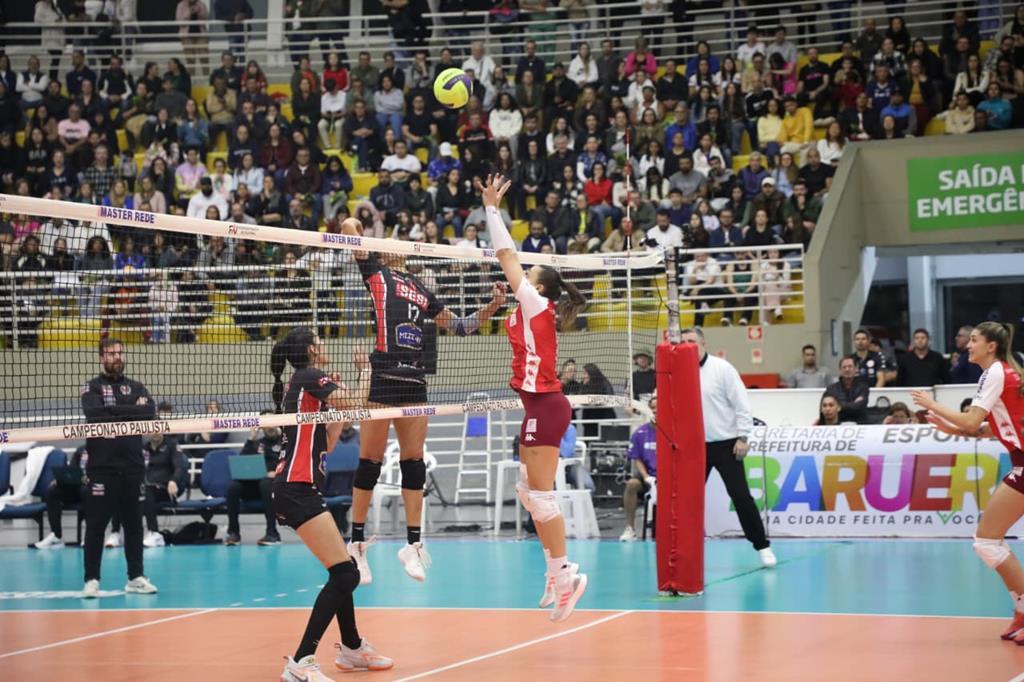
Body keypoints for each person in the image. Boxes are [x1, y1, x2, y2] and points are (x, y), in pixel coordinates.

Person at [339, 217, 507, 585]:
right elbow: (349, 225)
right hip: (383, 377)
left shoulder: (419, 287)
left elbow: (460, 327)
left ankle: (413, 545)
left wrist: (493, 306)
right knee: (370, 462)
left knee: (413, 463)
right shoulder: (376, 274)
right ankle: (356, 544)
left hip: (415, 382)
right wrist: (362, 229)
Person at [481, 173, 589, 621]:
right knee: (529, 492)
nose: (522, 276)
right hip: (536, 405)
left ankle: (568, 579)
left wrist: (491, 209)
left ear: (538, 288)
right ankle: (553, 571)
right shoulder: (527, 308)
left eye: (529, 275)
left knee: (541, 497)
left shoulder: (536, 303)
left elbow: (506, 253)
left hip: (547, 405)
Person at [270, 328, 393, 678]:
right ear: (311, 349)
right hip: (296, 487)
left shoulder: (304, 384)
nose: (325, 347)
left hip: (299, 487)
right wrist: (365, 371)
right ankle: (301, 661)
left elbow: (330, 441)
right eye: (320, 343)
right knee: (345, 573)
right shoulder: (309, 375)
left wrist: (330, 404)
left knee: (342, 571)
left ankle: (352, 648)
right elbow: (358, 404)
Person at [911, 322, 1024, 645]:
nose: (967, 345)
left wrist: (931, 404)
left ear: (991, 346)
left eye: (974, 340)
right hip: (1021, 460)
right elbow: (990, 427)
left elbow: (973, 420)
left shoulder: (995, 373)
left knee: (987, 541)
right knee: (990, 540)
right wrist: (952, 430)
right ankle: (1021, 607)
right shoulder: (1001, 373)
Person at [681, 327, 775, 567]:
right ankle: (685, 550)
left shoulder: (722, 369)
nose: (688, 345)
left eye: (692, 341)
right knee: (686, 500)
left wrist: (743, 437)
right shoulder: (678, 371)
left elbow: (742, 404)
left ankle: (762, 546)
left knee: (741, 496)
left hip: (726, 445)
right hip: (694, 447)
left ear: (703, 344)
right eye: (683, 342)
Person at [80, 338, 159, 598]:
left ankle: (135, 577)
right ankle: (91, 579)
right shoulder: (92, 387)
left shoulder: (136, 386)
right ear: (102, 357)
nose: (117, 357)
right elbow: (94, 414)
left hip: (133, 467)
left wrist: (113, 410)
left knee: (134, 525)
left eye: (120, 352)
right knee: (95, 526)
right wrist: (128, 411)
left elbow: (149, 412)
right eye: (111, 353)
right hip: (101, 468)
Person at [225, 412, 284, 546]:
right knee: (234, 487)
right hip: (254, 486)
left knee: (265, 483)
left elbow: (291, 461)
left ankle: (272, 533)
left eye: (272, 421)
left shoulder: (285, 442)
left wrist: (277, 473)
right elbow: (242, 464)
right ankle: (233, 533)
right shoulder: (256, 443)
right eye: (265, 422)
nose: (269, 425)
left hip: (275, 485)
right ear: (261, 426)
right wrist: (251, 438)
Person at [33, 446, 89, 549]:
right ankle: (56, 535)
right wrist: (61, 480)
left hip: (91, 488)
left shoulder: (102, 452)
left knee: (85, 490)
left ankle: (89, 536)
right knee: (53, 491)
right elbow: (72, 471)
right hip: (75, 487)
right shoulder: (80, 450)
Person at [141, 430, 188, 547]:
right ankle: (116, 532)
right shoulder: (144, 448)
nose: (155, 433)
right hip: (149, 488)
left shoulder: (172, 445)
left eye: (158, 430)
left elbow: (179, 467)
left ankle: (154, 533)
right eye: (152, 430)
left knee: (147, 493)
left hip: (169, 488)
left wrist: (173, 481)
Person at [621, 395, 657, 542]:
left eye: (658, 407)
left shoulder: (674, 431)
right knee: (632, 484)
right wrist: (646, 477)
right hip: (648, 478)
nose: (656, 411)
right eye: (653, 408)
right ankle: (630, 528)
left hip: (669, 479)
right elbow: (637, 459)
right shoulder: (639, 433)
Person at [824, 357, 870, 424]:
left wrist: (839, 405)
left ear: (856, 369)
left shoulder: (863, 387)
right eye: (844, 367)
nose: (847, 369)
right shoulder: (831, 389)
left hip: (860, 424)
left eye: (850, 366)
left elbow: (860, 407)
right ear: (840, 370)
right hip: (838, 424)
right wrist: (854, 404)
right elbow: (829, 409)